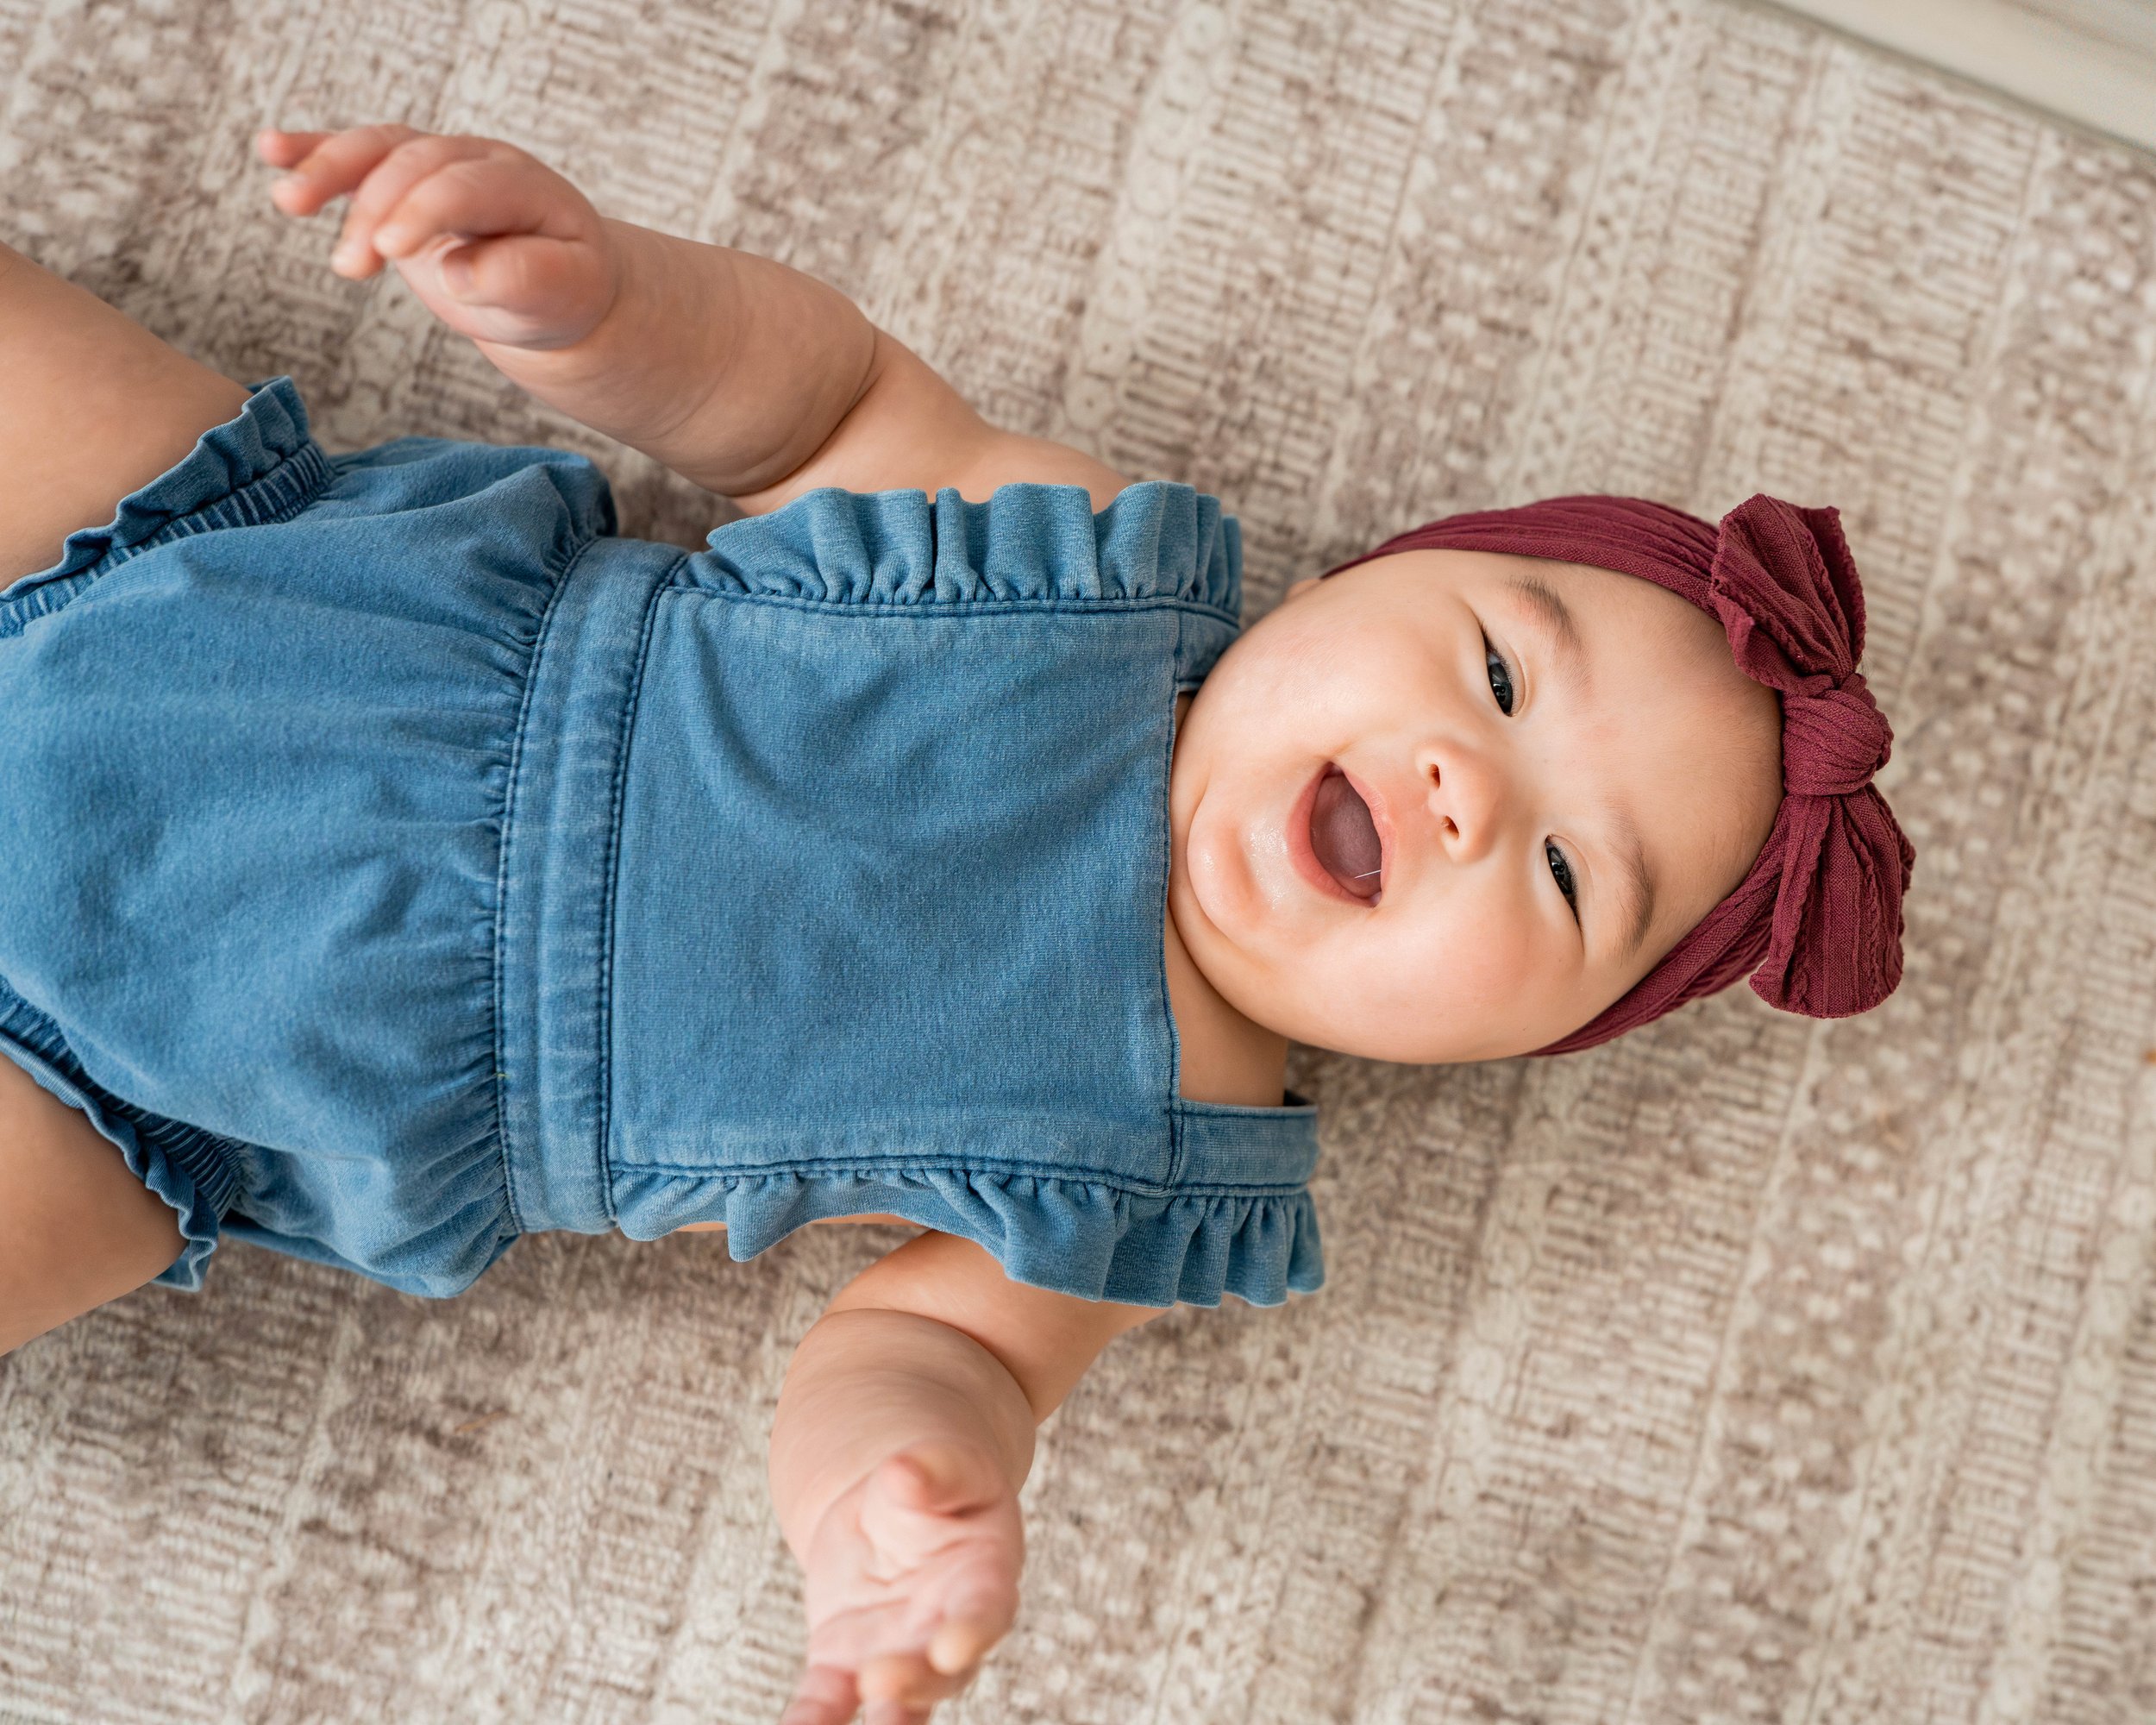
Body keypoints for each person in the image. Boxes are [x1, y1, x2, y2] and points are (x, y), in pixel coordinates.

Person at [0, 125, 1912, 1725]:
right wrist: (596, 301)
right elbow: (809, 401)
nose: (1463, 791)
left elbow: (939, 1352)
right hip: (244, 588)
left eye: (1568, 881)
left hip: (184, 1078)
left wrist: (904, 1498)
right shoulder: (1078, 563)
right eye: (1493, 668)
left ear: (1505, 1049)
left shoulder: (1158, 1141)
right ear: (1361, 579)